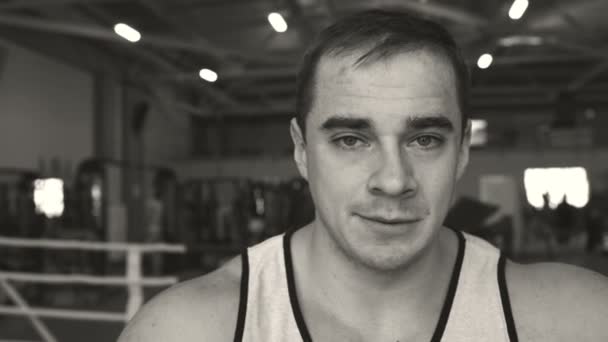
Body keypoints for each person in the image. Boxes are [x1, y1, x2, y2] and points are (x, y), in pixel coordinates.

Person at [118, 9, 608, 341]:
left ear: (461, 153)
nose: (394, 181)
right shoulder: (190, 330)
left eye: (426, 139)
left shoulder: (574, 321)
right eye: (351, 140)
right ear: (301, 151)